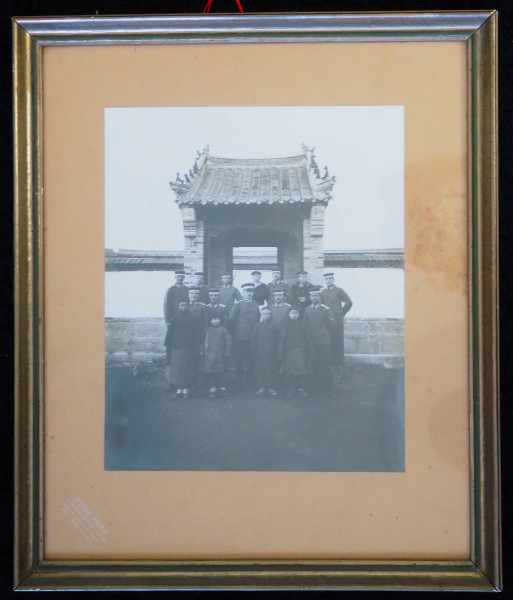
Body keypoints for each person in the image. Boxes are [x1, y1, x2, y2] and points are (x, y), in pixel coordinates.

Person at [303, 287, 335, 396]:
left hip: (323, 341)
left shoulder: (325, 309)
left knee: (324, 363)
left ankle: (326, 388)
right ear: (309, 297)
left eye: (316, 295)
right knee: (312, 363)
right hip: (311, 341)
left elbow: (332, 325)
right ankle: (314, 387)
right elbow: (305, 326)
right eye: (312, 296)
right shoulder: (307, 309)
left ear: (319, 297)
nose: (314, 297)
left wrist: (323, 334)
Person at [320, 272, 353, 379]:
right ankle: (329, 364)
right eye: (327, 279)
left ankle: (339, 364)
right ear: (325, 281)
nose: (329, 280)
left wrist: (341, 313)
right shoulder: (323, 292)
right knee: (328, 341)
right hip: (327, 321)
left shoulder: (339, 290)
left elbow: (349, 302)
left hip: (337, 321)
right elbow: (321, 306)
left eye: (330, 278)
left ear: (333, 280)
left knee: (337, 341)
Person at [228, 282, 260, 388]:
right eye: (247, 291)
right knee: (239, 360)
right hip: (240, 337)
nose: (249, 294)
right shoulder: (238, 304)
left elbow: (259, 320)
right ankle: (238, 384)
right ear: (243, 292)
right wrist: (234, 335)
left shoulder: (257, 304)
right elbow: (231, 321)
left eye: (251, 291)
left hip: (253, 337)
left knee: (252, 359)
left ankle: (250, 383)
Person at [164, 301, 196, 399]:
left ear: (188, 306)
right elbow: (170, 332)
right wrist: (168, 344)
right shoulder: (175, 318)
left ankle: (186, 390)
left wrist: (194, 344)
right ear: (178, 306)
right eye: (181, 305)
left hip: (188, 347)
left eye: (185, 305)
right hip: (176, 347)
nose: (183, 307)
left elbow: (196, 332)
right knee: (177, 369)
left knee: (186, 369)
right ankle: (179, 390)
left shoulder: (192, 318)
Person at [279, 306, 310, 398]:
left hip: (300, 351)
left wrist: (309, 351)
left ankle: (301, 389)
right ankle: (291, 389)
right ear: (288, 315)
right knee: (289, 372)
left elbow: (307, 339)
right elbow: (282, 340)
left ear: (299, 314)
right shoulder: (284, 325)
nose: (294, 315)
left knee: (301, 371)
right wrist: (280, 353)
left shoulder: (303, 324)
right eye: (292, 313)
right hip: (289, 352)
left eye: (296, 313)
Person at [252, 306, 279, 397]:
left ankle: (271, 387)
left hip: (271, 352)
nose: (266, 315)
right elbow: (254, 340)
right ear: (261, 315)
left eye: (268, 314)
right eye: (264, 314)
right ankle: (261, 387)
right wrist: (255, 351)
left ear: (271, 315)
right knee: (260, 369)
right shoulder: (257, 326)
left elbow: (277, 340)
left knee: (271, 369)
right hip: (260, 352)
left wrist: (276, 351)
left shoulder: (274, 326)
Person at [203, 316, 232, 398]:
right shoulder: (208, 330)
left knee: (221, 372)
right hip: (210, 355)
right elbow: (205, 341)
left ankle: (222, 388)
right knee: (211, 372)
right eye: (213, 319)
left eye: (217, 319)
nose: (215, 321)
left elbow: (228, 341)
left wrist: (227, 352)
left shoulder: (223, 330)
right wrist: (204, 351)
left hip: (221, 354)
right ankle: (212, 388)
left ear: (220, 320)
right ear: (210, 321)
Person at [188, 287, 208, 390]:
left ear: (199, 295)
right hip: (186, 338)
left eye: (196, 294)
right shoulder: (184, 305)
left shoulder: (202, 307)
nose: (194, 295)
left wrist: (204, 338)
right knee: (187, 361)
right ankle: (187, 384)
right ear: (188, 294)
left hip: (198, 337)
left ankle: (198, 385)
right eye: (192, 293)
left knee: (198, 360)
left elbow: (205, 324)